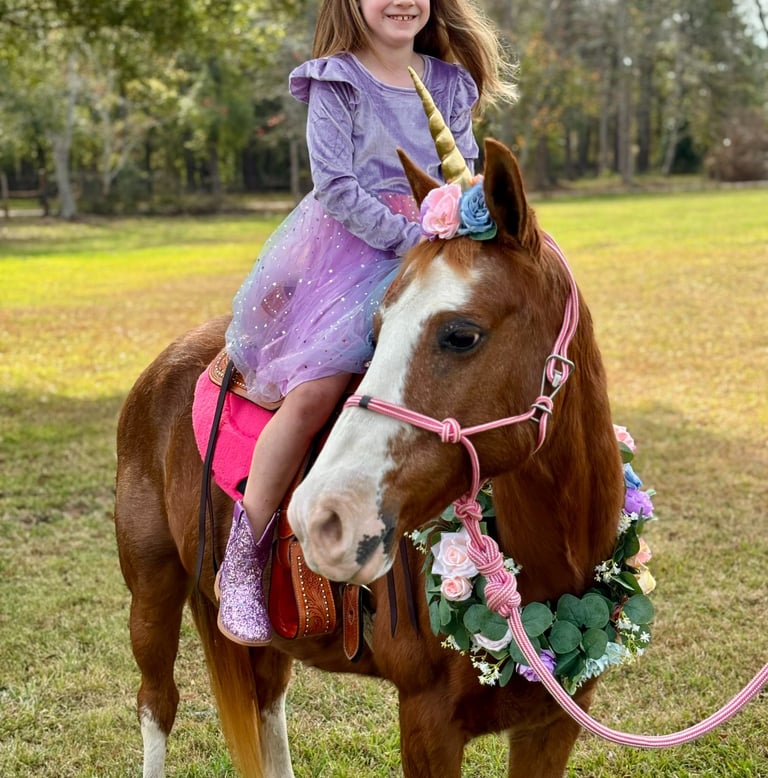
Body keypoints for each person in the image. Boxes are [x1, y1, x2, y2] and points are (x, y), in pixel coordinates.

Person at [215, 0, 516, 645]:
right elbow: (336, 186)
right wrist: (412, 232)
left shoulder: (448, 82)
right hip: (350, 253)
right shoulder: (336, 80)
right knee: (316, 392)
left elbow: (459, 175)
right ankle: (244, 556)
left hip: (433, 251)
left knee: (487, 362)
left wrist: (470, 218)